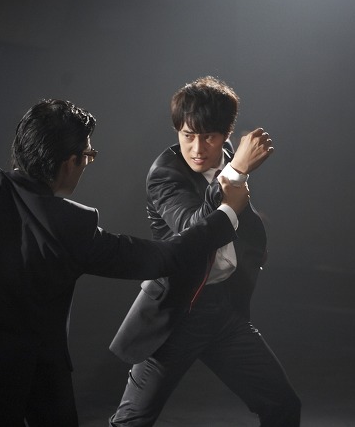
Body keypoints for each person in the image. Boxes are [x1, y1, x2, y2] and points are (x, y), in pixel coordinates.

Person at [0, 98, 253, 426]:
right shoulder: (72, 227)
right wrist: (227, 214)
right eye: (87, 156)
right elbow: (165, 256)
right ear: (69, 163)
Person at [108, 76, 301, 426]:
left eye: (209, 136)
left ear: (227, 134)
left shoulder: (226, 159)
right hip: (176, 315)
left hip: (223, 311)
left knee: (283, 405)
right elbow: (194, 227)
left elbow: (239, 212)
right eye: (187, 135)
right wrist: (237, 171)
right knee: (132, 421)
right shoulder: (165, 174)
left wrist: (251, 246)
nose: (197, 148)